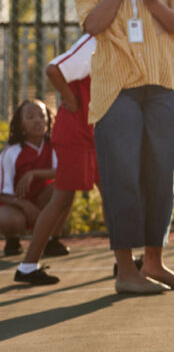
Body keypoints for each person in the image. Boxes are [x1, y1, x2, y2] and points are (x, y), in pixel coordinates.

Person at [73, 0, 174, 295]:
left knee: (162, 174)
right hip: (116, 89)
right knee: (121, 174)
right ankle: (126, 271)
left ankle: (155, 263)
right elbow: (93, 25)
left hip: (166, 84)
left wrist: (152, 2)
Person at [14, 35, 100, 285]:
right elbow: (53, 69)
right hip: (75, 133)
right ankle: (28, 265)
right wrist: (71, 102)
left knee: (110, 193)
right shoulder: (92, 42)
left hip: (91, 132)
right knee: (62, 199)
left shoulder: (120, 39)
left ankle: (123, 261)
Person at [1, 100, 55, 258]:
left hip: (41, 201)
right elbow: (2, 192)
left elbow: (64, 172)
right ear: (21, 124)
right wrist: (23, 204)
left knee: (63, 189)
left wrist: (34, 173)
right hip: (15, 205)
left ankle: (51, 240)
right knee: (11, 220)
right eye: (30, 117)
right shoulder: (11, 153)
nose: (37, 120)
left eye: (41, 115)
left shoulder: (54, 146)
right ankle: (12, 239)